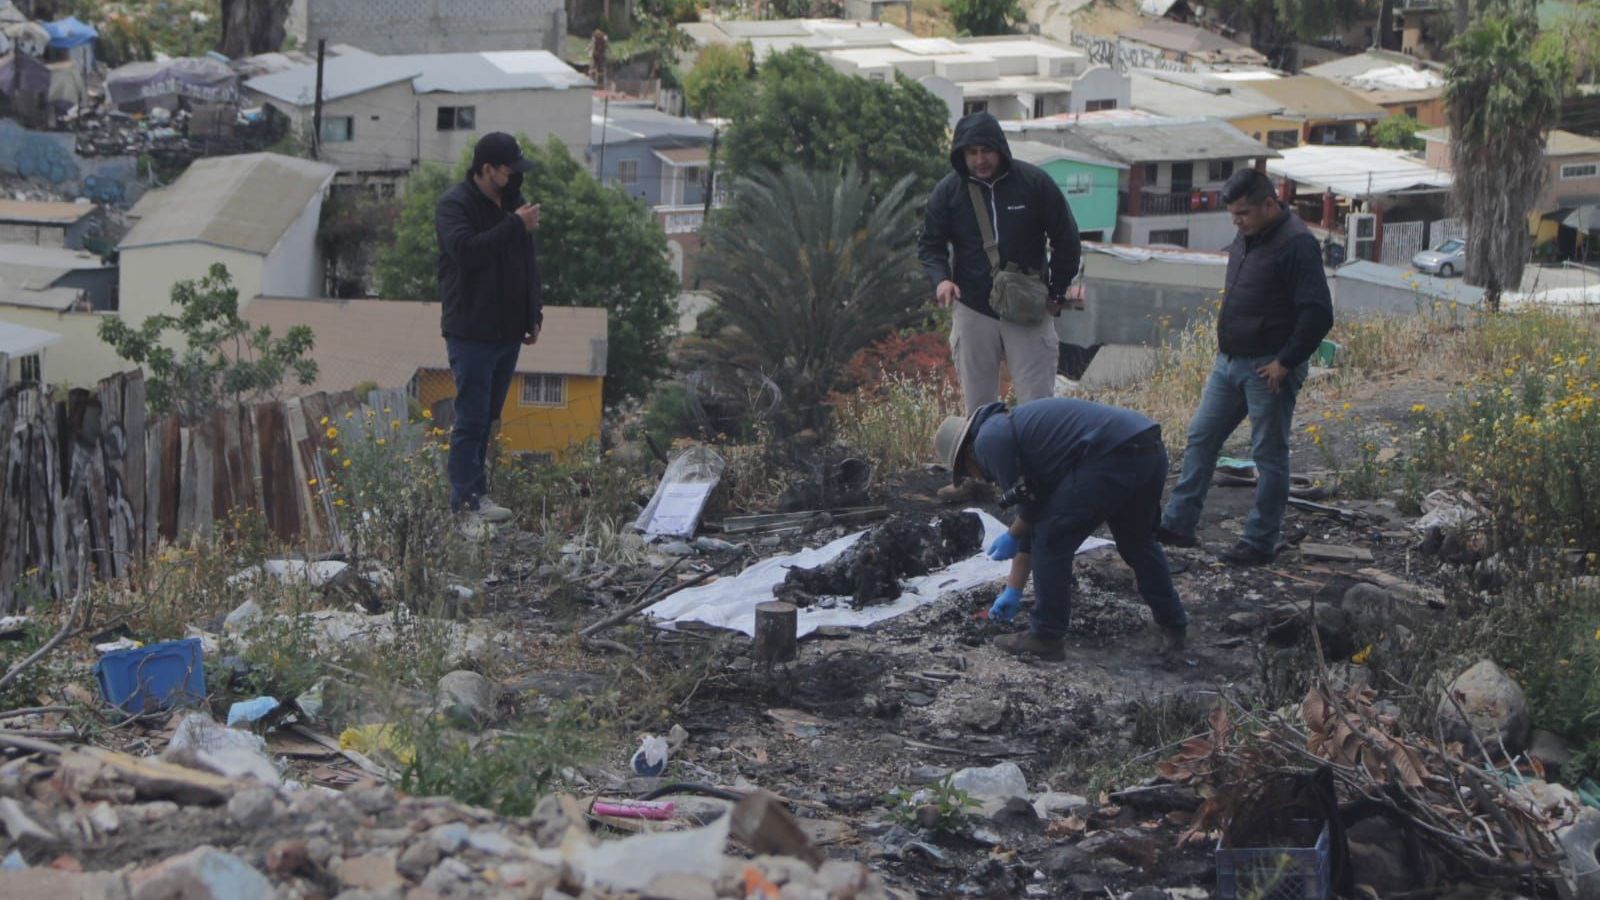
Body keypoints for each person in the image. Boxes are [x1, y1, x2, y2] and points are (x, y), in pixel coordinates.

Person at [1156, 168, 1333, 566]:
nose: (1237, 223)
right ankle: (1178, 524)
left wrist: (1285, 363)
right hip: (1230, 362)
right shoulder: (1248, 235)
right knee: (1201, 437)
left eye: (1244, 214)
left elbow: (1319, 314)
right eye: (1233, 215)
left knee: (1268, 454)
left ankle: (1259, 540)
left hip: (1268, 368)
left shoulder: (1296, 244)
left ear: (1269, 204)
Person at [933, 398, 1189, 661]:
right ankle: (1173, 623)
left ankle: (1046, 636)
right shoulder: (1022, 432)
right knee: (1138, 543)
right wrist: (1015, 588)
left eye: (966, 472)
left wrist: (1012, 535)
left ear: (967, 454)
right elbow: (1038, 508)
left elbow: (1032, 513)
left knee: (1053, 541)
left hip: (1109, 454)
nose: (974, 478)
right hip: (1146, 446)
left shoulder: (988, 441)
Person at [918, 111, 1081, 501]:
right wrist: (941, 278)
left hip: (1029, 310)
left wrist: (1057, 292)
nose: (980, 159)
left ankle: (1044, 479)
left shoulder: (1033, 183)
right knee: (979, 403)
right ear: (961, 154)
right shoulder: (949, 191)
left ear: (1000, 149)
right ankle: (979, 478)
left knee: (1038, 403)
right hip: (973, 307)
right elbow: (930, 244)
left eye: (986, 150)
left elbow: (1066, 237)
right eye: (971, 152)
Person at [435, 132, 544, 533]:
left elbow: (527, 264)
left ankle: (478, 495)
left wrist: (534, 314)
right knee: (470, 418)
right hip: (471, 331)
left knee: (489, 418)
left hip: (507, 331)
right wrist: (515, 225)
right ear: (486, 170)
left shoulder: (513, 204)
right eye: (508, 170)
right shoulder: (454, 205)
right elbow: (467, 252)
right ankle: (463, 505)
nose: (515, 177)